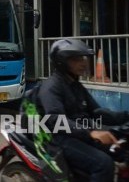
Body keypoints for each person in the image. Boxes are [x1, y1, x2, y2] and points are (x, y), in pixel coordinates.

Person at [38, 39, 128, 182]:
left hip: (80, 134)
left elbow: (97, 112)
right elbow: (55, 120)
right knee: (103, 163)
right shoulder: (51, 86)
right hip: (60, 138)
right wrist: (91, 133)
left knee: (122, 152)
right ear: (61, 61)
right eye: (76, 59)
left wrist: (125, 116)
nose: (83, 62)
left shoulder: (76, 86)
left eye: (83, 58)